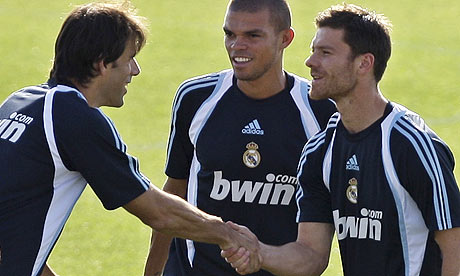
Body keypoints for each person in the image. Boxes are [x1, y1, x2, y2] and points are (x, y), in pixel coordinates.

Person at [0, 2, 260, 276]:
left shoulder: (19, 102)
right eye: (129, 58)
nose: (134, 70)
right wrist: (227, 234)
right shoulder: (73, 117)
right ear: (102, 63)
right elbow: (157, 211)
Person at [223, 3, 460, 276]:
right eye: (313, 51)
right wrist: (259, 252)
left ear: (363, 63)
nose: (310, 62)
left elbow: (454, 245)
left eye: (325, 53)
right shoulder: (319, 151)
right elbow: (311, 255)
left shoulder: (410, 144)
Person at [143, 0, 336, 275]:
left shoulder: (320, 110)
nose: (237, 46)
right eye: (230, 34)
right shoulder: (196, 98)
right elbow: (175, 191)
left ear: (285, 38)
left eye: (252, 35)